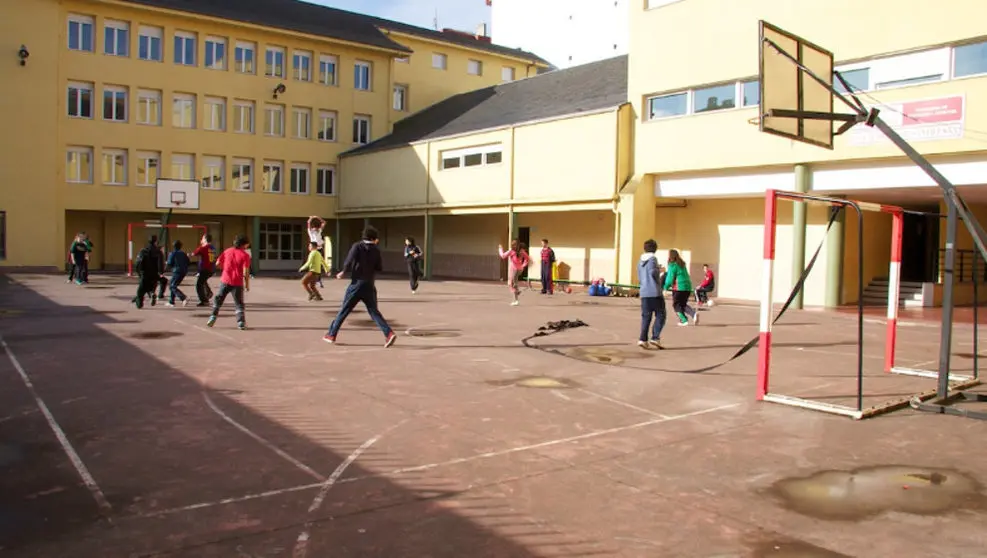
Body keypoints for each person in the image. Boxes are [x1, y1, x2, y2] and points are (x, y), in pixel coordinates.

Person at [324, 226, 396, 348]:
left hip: (356, 284)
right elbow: (379, 268)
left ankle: (331, 334)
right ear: (374, 238)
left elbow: (349, 259)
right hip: (369, 284)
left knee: (344, 310)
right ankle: (388, 333)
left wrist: (343, 271)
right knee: (374, 312)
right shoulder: (376, 250)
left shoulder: (357, 246)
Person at [207, 235, 252, 330]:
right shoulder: (245, 255)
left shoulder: (227, 251)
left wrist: (225, 269)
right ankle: (240, 322)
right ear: (244, 244)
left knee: (219, 299)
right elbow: (245, 272)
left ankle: (213, 316)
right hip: (237, 283)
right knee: (239, 303)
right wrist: (247, 284)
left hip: (225, 280)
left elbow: (217, 263)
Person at [637, 239, 666, 349]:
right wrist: (659, 269)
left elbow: (640, 276)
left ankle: (642, 339)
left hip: (644, 291)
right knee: (661, 314)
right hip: (654, 291)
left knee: (646, 316)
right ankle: (655, 337)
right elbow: (653, 272)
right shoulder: (653, 259)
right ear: (655, 248)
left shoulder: (639, 261)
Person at [664, 249, 698, 326]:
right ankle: (693, 314)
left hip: (679, 287)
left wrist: (665, 288)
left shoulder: (673, 265)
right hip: (688, 287)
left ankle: (684, 320)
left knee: (676, 305)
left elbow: (670, 278)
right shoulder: (682, 264)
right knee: (682, 304)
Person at [132, 235, 165, 308]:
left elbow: (138, 263)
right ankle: (152, 293)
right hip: (154, 273)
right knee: (151, 287)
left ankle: (139, 304)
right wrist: (161, 272)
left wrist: (139, 272)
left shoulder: (143, 251)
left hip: (145, 273)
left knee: (140, 290)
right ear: (155, 242)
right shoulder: (158, 252)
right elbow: (161, 264)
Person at [498, 239, 530, 306]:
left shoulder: (512, 251)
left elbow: (503, 256)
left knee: (511, 284)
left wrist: (500, 249)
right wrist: (523, 266)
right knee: (514, 283)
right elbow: (527, 258)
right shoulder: (522, 251)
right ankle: (517, 295)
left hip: (514, 269)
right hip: (519, 269)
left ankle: (516, 298)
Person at [191, 234, 217, 306]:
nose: (201, 240)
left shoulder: (204, 248)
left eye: (202, 238)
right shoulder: (212, 248)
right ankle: (208, 293)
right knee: (203, 281)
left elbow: (195, 253)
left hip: (205, 269)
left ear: (205, 239)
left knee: (199, 285)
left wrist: (201, 245)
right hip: (212, 268)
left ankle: (204, 300)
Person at [165, 240, 191, 307]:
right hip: (183, 271)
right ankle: (171, 302)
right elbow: (188, 262)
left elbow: (169, 263)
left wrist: (164, 269)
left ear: (173, 246)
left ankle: (183, 297)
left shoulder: (173, 253)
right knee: (172, 284)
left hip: (177, 271)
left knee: (172, 286)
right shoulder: (183, 253)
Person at [307, 216, 327, 288]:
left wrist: (317, 217)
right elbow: (308, 223)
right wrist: (311, 218)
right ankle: (312, 280)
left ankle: (318, 280)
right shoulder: (311, 232)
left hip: (319, 249)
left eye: (317, 228)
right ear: (312, 228)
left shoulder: (319, 231)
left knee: (319, 265)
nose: (316, 229)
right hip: (313, 249)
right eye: (314, 228)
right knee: (313, 265)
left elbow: (324, 222)